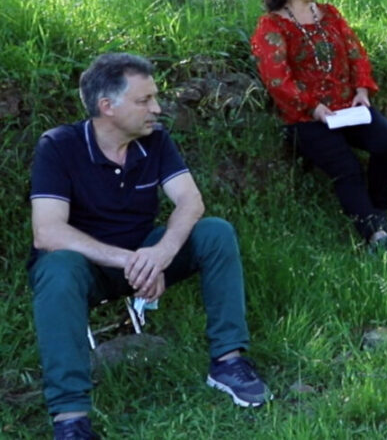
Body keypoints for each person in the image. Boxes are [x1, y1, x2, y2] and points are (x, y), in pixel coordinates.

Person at [29, 53, 270, 440]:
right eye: (144, 101)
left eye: (155, 98)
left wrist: (161, 254)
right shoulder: (59, 146)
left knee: (215, 231)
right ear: (107, 106)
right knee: (56, 269)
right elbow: (48, 232)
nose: (156, 109)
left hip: (145, 253)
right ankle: (71, 418)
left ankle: (228, 363)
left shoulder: (155, 141)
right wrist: (134, 262)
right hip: (87, 268)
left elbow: (190, 202)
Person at [251, 0, 387, 247]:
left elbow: (356, 52)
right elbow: (277, 79)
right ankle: (374, 233)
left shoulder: (330, 14)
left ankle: (378, 208)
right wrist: (314, 107)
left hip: (349, 107)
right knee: (347, 168)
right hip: (306, 116)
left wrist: (361, 90)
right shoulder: (271, 26)